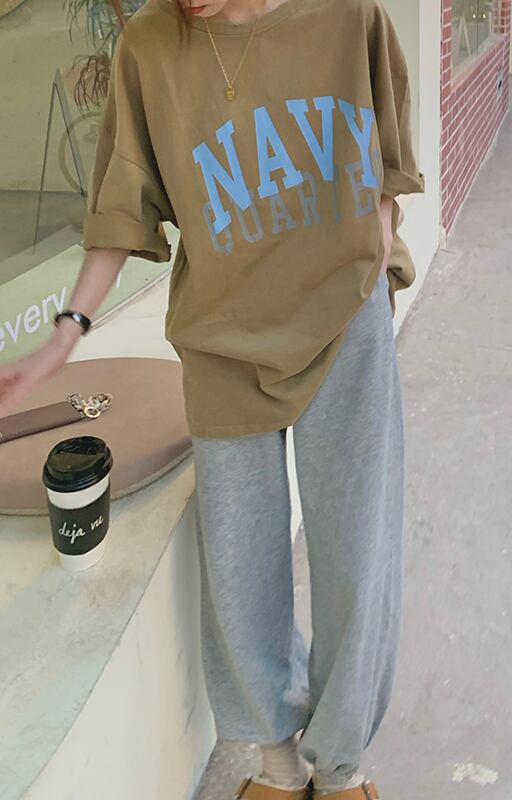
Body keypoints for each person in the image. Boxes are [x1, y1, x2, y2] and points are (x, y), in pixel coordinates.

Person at [0, 0, 425, 798]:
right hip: (223, 340)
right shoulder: (150, 46)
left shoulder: (347, 16)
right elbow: (120, 207)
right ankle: (278, 767)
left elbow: (391, 157)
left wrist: (375, 240)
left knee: (358, 555)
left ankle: (342, 771)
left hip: (343, 321)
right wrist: (65, 334)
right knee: (240, 567)